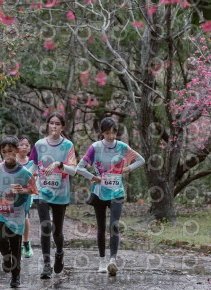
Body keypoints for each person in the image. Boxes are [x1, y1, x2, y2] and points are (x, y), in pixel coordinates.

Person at [76, 117, 145, 276]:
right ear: (102, 133)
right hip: (100, 192)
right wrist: (93, 177)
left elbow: (141, 160)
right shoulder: (95, 148)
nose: (111, 136)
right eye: (107, 133)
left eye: (113, 133)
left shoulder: (122, 147)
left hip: (117, 192)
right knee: (101, 227)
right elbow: (79, 168)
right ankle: (102, 261)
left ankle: (112, 260)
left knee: (114, 225)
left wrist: (127, 169)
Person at [0, 136, 37, 288]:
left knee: (15, 244)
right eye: (4, 152)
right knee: (0, 241)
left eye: (10, 151)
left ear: (17, 151)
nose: (7, 155)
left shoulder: (24, 172)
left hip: (17, 213)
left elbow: (33, 189)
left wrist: (23, 189)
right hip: (0, 211)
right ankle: (6, 258)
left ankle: (16, 276)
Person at [29, 113, 77, 279]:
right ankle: (46, 264)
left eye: (57, 124)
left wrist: (59, 164)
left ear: (62, 127)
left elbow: (73, 170)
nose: (54, 126)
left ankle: (59, 253)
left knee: (57, 231)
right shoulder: (39, 144)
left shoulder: (68, 145)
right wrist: (22, 179)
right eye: (51, 123)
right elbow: (33, 166)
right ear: (48, 125)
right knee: (45, 227)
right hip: (42, 191)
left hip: (61, 193)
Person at [17, 135, 37, 258]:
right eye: (21, 144)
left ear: (30, 148)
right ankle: (16, 243)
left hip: (26, 194)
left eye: (27, 145)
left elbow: (34, 179)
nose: (24, 147)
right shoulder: (11, 160)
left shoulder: (32, 162)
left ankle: (26, 243)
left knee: (24, 216)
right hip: (11, 194)